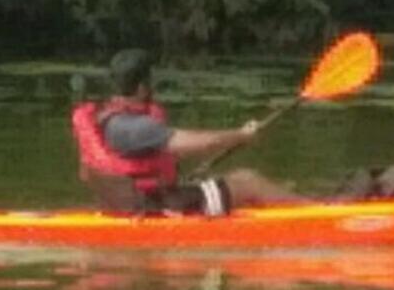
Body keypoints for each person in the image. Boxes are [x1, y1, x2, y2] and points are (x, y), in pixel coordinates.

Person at [71, 49, 305, 215]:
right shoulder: (136, 127)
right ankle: (318, 216)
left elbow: (147, 161)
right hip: (161, 207)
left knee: (237, 187)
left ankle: (294, 210)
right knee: (248, 181)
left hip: (135, 204)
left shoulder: (108, 118)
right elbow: (199, 143)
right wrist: (241, 135)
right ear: (142, 87)